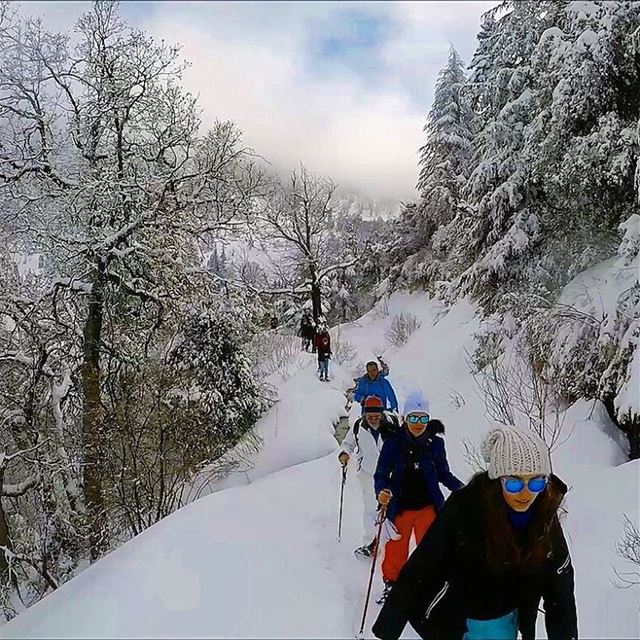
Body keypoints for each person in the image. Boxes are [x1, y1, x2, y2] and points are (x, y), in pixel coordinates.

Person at [372, 425, 578, 640]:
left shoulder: (544, 516)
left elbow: (560, 589)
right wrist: (388, 629)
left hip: (505, 617)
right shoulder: (465, 508)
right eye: (514, 483)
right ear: (498, 479)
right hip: (456, 616)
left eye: (536, 482)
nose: (525, 494)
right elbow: (422, 565)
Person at [374, 390, 463, 604]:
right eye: (413, 417)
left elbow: (443, 473)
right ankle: (391, 585)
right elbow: (381, 474)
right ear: (405, 418)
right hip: (400, 507)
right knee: (396, 549)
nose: (418, 423)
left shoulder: (435, 444)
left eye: (423, 418)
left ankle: (428, 585)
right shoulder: (393, 443)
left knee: (430, 548)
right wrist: (382, 492)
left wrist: (461, 489)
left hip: (428, 507)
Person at [338, 396, 400, 558]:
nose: (373, 419)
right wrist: (344, 454)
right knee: (371, 510)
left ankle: (392, 544)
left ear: (382, 413)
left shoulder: (394, 424)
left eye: (376, 416)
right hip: (368, 474)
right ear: (364, 413)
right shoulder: (358, 426)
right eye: (369, 416)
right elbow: (348, 443)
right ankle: (371, 543)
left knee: (393, 509)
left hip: (392, 475)